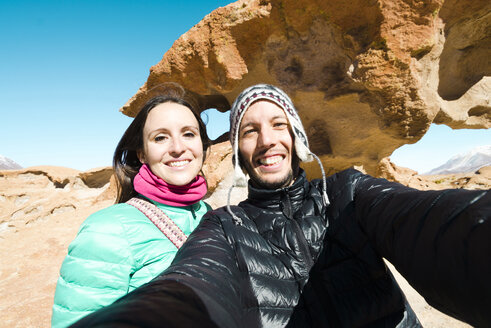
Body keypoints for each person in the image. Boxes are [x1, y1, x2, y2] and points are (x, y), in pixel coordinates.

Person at [71, 84, 491, 328]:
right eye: (250, 130)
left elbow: (432, 224)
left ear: (298, 138)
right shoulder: (223, 226)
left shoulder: (345, 193)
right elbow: (193, 283)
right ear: (237, 150)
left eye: (278, 125)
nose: (268, 140)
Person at [51, 83, 212, 328]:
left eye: (189, 133)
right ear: (142, 154)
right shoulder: (107, 229)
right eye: (160, 137)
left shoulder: (210, 214)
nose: (178, 148)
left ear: (202, 144)